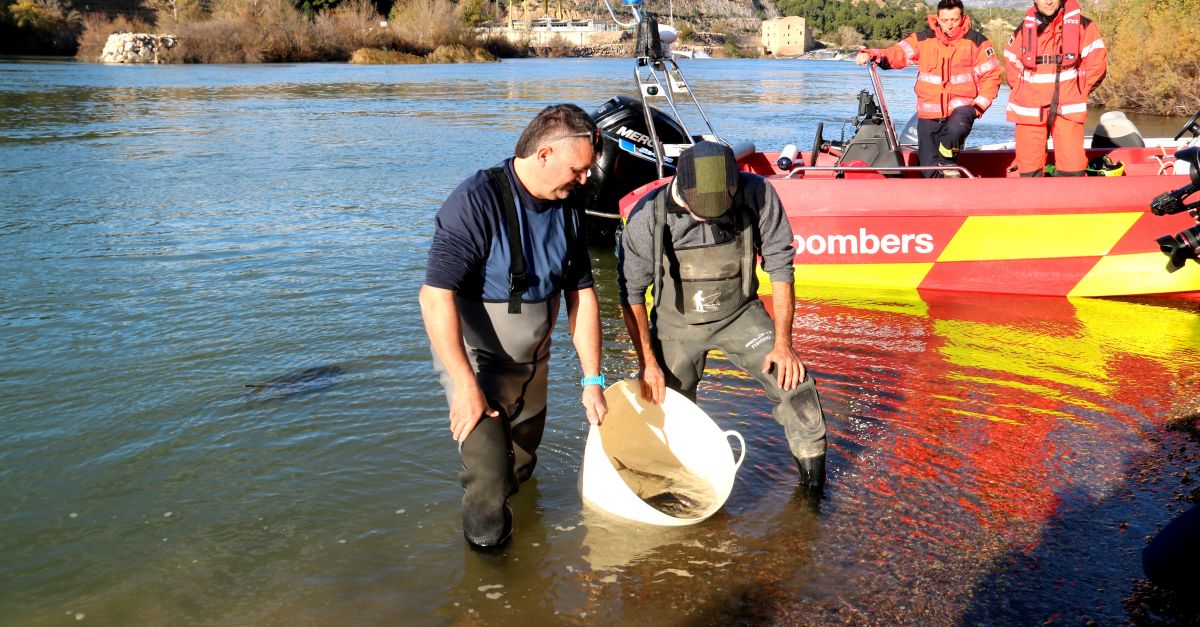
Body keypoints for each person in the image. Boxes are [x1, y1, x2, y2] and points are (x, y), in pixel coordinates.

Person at [419, 104, 608, 549]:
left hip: (534, 370)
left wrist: (593, 379)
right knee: (487, 481)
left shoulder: (571, 205)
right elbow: (433, 297)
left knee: (521, 470)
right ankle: (487, 590)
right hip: (480, 371)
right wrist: (465, 386)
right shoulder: (474, 202)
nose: (584, 180)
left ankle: (526, 575)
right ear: (544, 155)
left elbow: (582, 295)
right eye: (578, 170)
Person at [616, 141, 828, 500]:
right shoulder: (647, 216)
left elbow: (780, 265)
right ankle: (676, 494)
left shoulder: (758, 194)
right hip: (677, 325)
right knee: (665, 408)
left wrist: (783, 345)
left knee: (797, 390)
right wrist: (647, 362)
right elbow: (631, 294)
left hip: (740, 314)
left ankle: (813, 497)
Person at [855, 0, 1001, 178]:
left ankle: (947, 163)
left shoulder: (977, 42)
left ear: (962, 18)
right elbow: (896, 53)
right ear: (937, 18)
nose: (949, 25)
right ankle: (944, 194)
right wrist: (872, 54)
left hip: (962, 108)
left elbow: (992, 77)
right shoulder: (923, 39)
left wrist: (977, 106)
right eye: (945, 20)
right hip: (928, 114)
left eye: (954, 20)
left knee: (955, 131)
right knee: (928, 172)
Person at [1003, 0, 1107, 177]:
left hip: (1068, 108)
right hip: (1030, 109)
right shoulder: (1023, 29)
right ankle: (1033, 202)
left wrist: (1078, 90)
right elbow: (1011, 63)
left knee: (1072, 169)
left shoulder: (1084, 26)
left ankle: (1070, 203)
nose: (1049, 2)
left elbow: (1097, 64)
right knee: (1028, 170)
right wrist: (1023, 92)